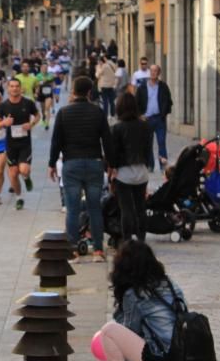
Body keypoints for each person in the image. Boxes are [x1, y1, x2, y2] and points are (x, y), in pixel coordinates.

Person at [97, 240, 192, 361]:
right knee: (158, 335)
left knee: (109, 332)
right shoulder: (169, 284)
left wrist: (121, 310)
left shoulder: (134, 294)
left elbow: (128, 332)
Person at [49, 76, 112, 263]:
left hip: (71, 165)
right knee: (95, 208)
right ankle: (98, 250)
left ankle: (74, 251)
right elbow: (107, 140)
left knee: (72, 209)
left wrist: (52, 164)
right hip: (94, 164)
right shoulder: (98, 112)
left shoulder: (63, 113)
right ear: (90, 92)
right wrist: (111, 165)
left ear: (73, 92)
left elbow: (56, 141)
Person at [109, 92, 154, 243]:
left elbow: (113, 153)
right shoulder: (146, 126)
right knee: (141, 208)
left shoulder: (117, 128)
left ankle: (127, 240)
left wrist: (111, 169)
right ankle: (141, 239)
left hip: (123, 173)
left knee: (126, 210)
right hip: (141, 172)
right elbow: (148, 150)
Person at [0, 77, 39, 210]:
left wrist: (31, 123)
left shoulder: (28, 103)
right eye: (12, 86)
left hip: (25, 143)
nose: (14, 88)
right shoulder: (3, 106)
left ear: (21, 88)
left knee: (23, 170)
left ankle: (26, 178)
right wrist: (4, 123)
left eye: (17, 86)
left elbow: (38, 115)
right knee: (13, 173)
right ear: (8, 88)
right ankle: (19, 198)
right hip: (10, 145)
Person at [136, 64, 173, 170]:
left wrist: (163, 114)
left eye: (155, 71)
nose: (153, 73)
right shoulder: (142, 87)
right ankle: (150, 165)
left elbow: (169, 102)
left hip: (159, 119)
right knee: (148, 144)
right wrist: (139, 115)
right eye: (151, 70)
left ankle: (163, 166)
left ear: (159, 73)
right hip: (146, 119)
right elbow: (136, 102)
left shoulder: (163, 86)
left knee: (161, 142)